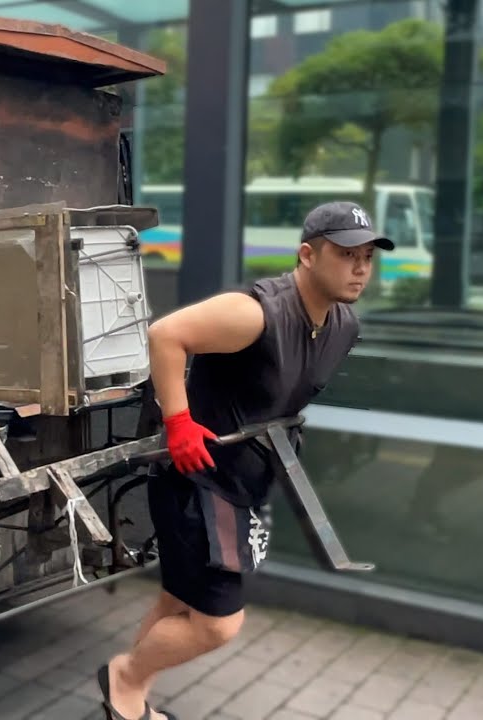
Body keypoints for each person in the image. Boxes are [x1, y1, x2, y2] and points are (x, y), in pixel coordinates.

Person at [95, 201, 395, 720]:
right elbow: (166, 335)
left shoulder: (344, 326)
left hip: (248, 482)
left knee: (178, 601)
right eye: (346, 254)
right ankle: (124, 677)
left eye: (368, 255)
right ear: (307, 254)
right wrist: (179, 422)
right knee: (217, 623)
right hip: (196, 479)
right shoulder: (257, 313)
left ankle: (130, 701)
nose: (361, 267)